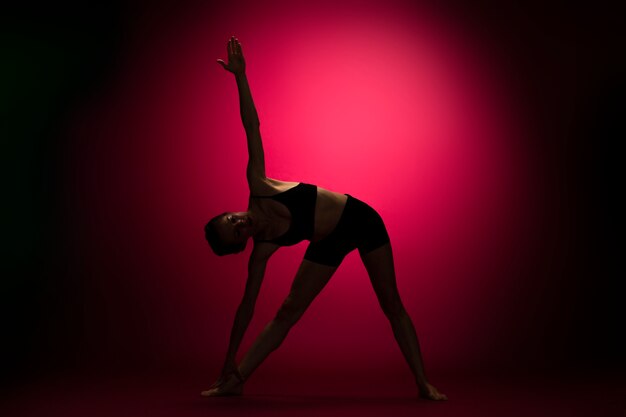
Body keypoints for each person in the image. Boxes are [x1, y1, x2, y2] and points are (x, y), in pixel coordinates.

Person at [201, 36, 447, 401]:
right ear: (240, 245)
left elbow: (252, 127)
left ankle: (423, 383)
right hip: (327, 242)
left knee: (391, 303)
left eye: (232, 218)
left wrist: (240, 77)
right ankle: (235, 379)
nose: (240, 224)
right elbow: (246, 308)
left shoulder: (261, 186)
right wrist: (227, 358)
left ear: (233, 211)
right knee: (287, 311)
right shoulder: (263, 249)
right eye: (235, 233)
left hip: (360, 219)